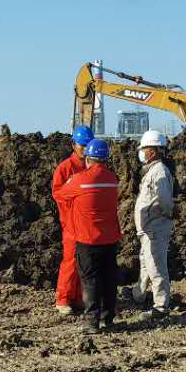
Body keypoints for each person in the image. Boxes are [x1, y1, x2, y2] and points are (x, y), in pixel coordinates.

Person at [59, 138, 121, 331]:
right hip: (110, 238)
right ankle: (107, 318)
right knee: (109, 278)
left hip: (88, 239)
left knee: (91, 279)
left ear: (88, 158)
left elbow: (60, 194)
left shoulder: (80, 180)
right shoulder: (113, 179)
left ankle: (92, 321)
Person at [132, 130, 175, 320]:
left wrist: (162, 215)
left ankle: (160, 307)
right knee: (145, 262)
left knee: (156, 266)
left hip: (155, 227)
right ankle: (139, 294)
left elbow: (165, 201)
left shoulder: (159, 173)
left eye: (145, 148)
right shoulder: (152, 170)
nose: (142, 151)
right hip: (148, 228)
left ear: (154, 150)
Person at [50, 125, 93, 315]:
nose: (84, 148)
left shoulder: (92, 166)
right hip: (71, 222)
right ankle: (63, 299)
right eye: (82, 145)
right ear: (73, 144)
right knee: (70, 260)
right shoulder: (65, 168)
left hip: (87, 223)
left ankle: (78, 298)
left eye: (87, 145)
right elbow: (58, 193)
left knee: (85, 262)